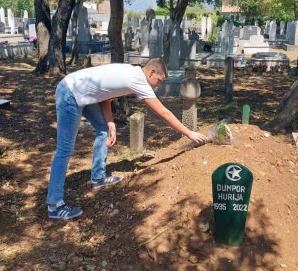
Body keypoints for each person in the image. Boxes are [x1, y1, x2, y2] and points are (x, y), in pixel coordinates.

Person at [47, 58, 207, 220]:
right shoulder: (137, 80)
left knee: (103, 131)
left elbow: (105, 97)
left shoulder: (132, 71)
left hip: (85, 93)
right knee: (65, 149)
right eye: (159, 80)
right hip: (70, 92)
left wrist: (110, 123)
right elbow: (163, 112)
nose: (158, 85)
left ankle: (98, 178)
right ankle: (55, 205)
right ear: (152, 72)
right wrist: (189, 133)